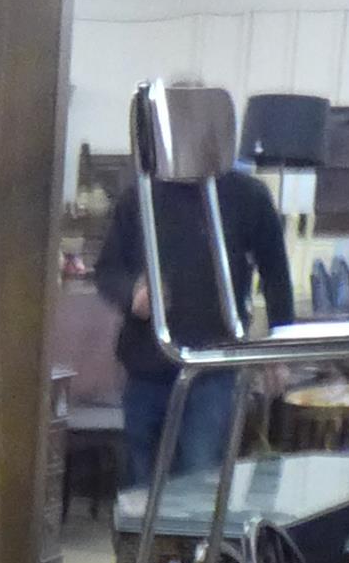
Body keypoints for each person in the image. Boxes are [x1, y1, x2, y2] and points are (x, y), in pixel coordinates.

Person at [94, 155, 294, 486]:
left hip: (213, 366)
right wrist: (132, 295)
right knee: (139, 483)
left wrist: (280, 345)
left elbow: (276, 273)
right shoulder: (139, 196)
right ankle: (143, 540)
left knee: (198, 478)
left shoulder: (248, 196)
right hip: (147, 364)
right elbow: (108, 270)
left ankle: (189, 541)